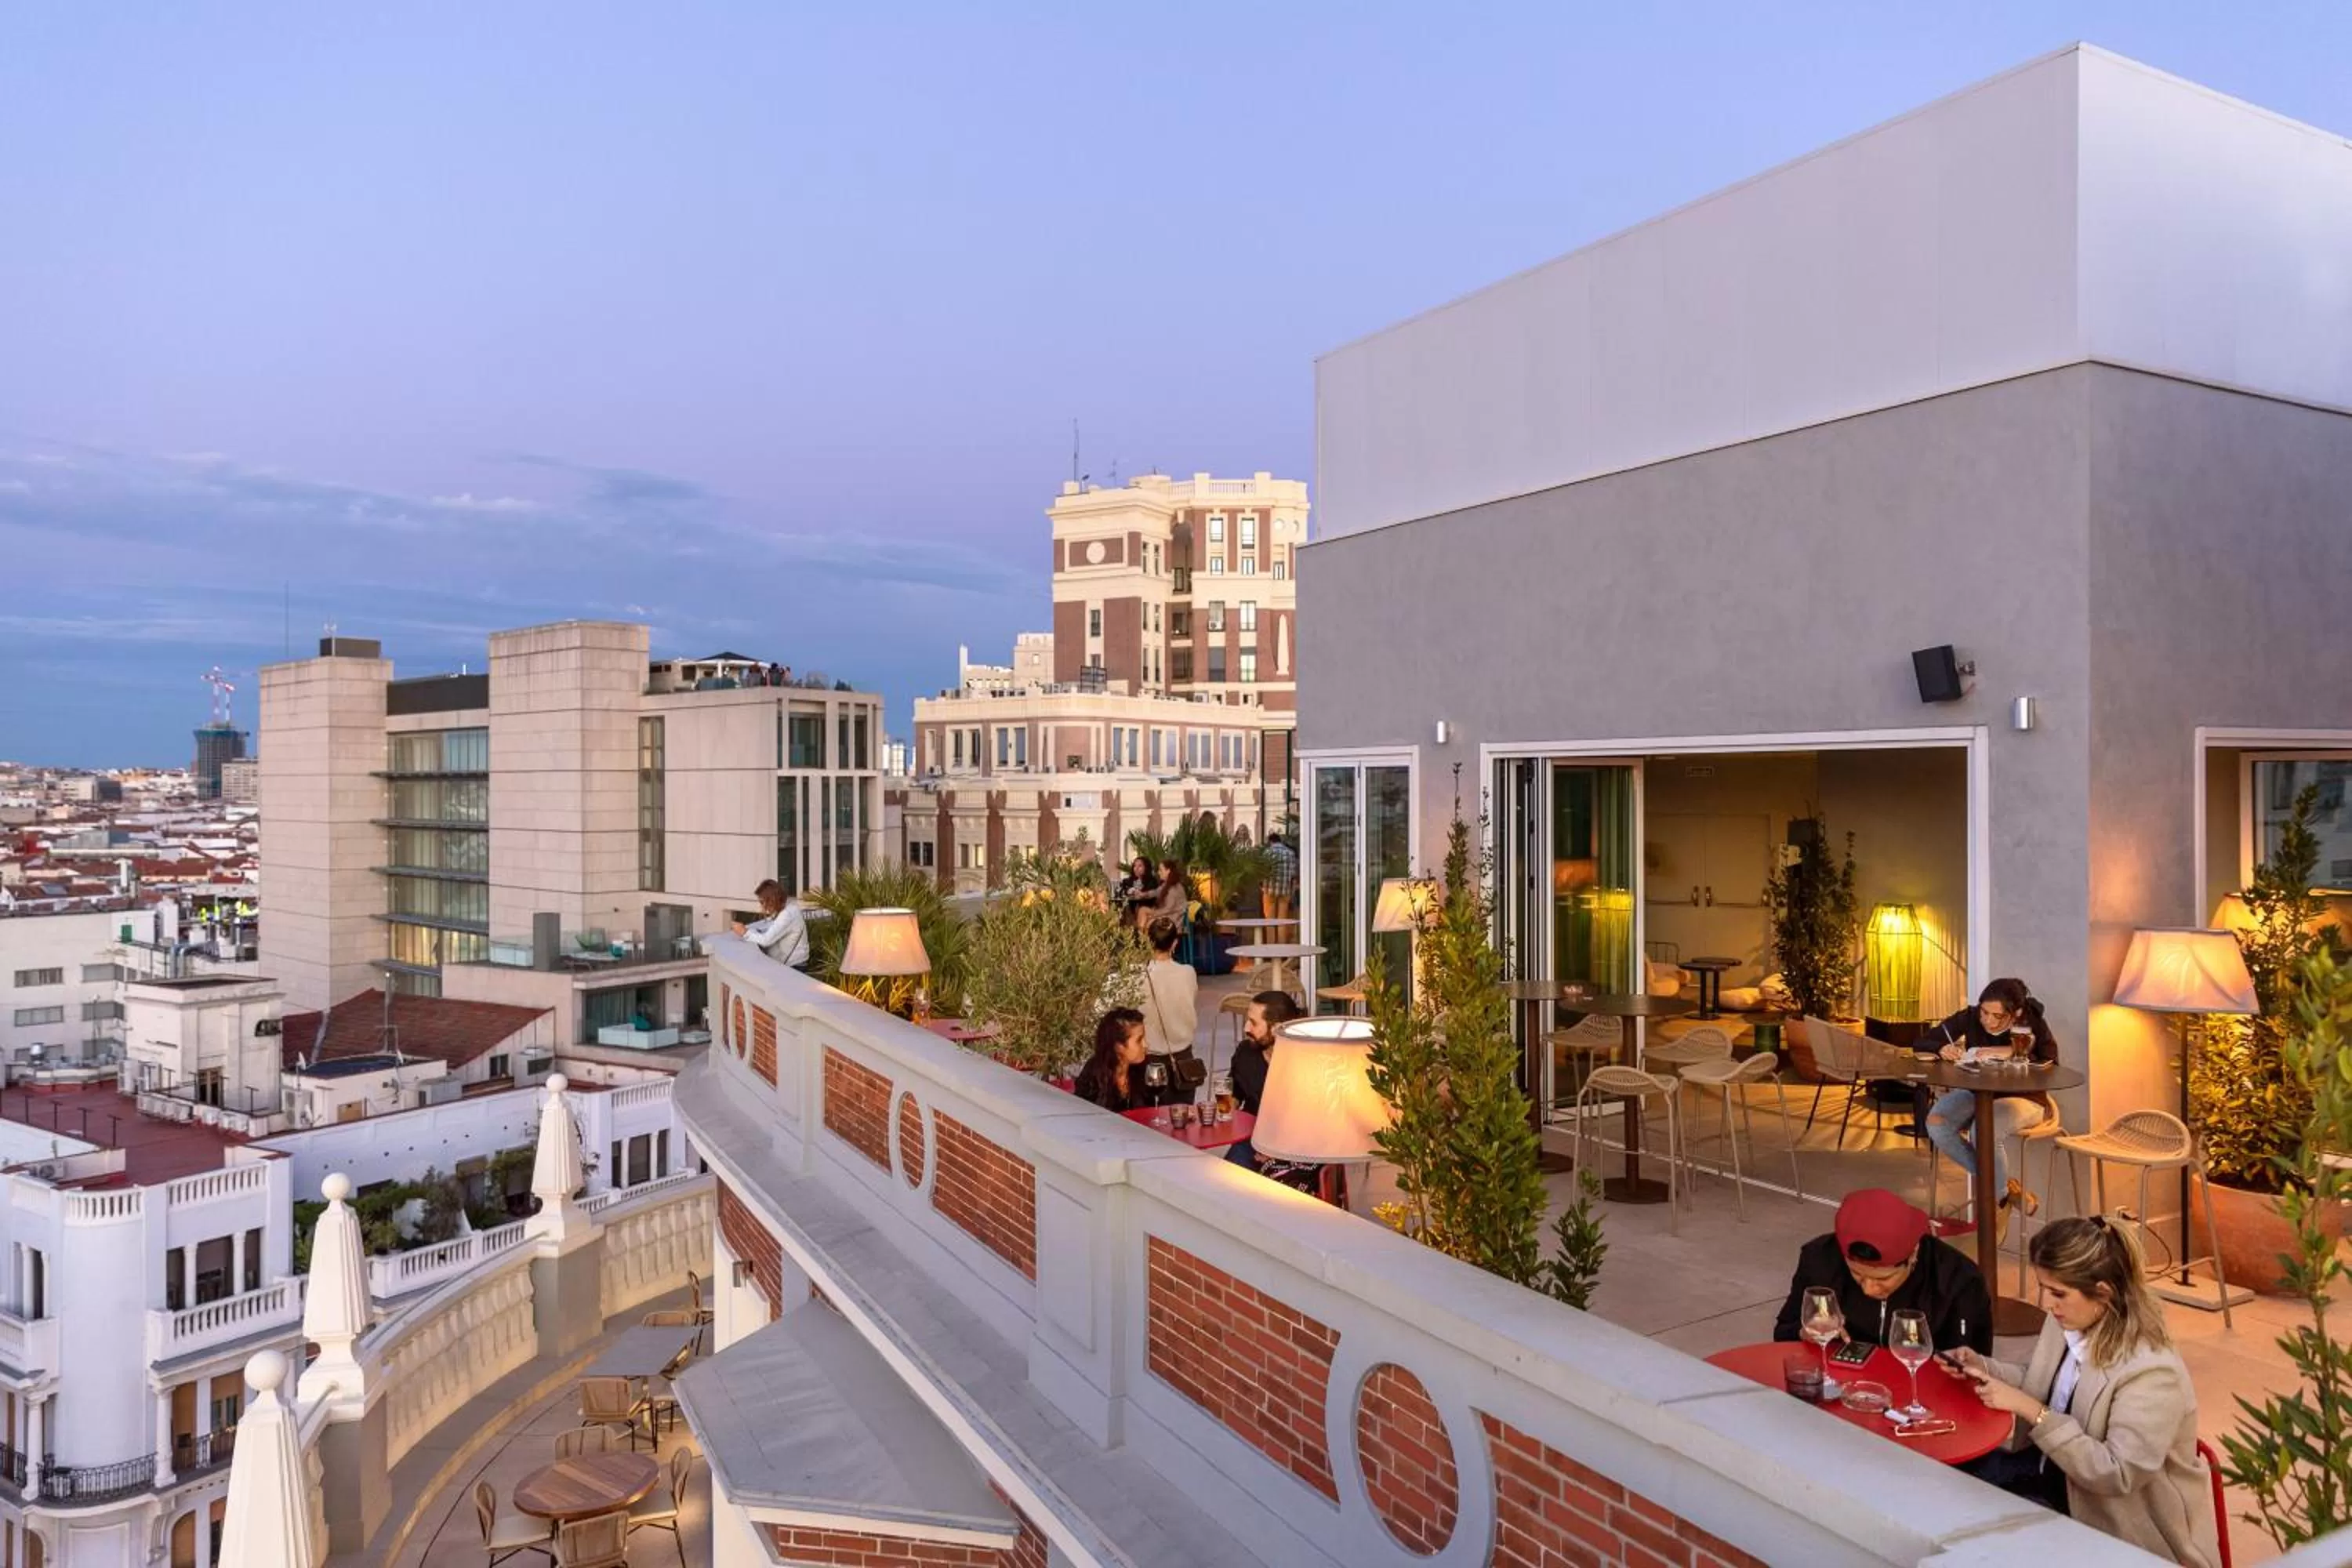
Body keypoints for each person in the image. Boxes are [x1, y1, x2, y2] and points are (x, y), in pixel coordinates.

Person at [1947, 1218, 2218, 1566]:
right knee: (1950, 1489)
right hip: (2054, 1475)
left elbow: (2117, 1474)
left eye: (2057, 1293)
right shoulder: (2071, 1318)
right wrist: (1984, 1368)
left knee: (1985, 1546)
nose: (2047, 1302)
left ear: (2103, 1293)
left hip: (2116, 1521)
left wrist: (2034, 1411)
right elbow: (2042, 1381)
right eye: (2044, 1288)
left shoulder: (2152, 1371)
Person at [1772, 1188, 1991, 1354]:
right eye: (1857, 1275)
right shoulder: (1819, 1259)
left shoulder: (1957, 1281)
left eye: (1883, 1278)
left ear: (1913, 1254)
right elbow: (1783, 1332)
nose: (1868, 1289)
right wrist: (1804, 1333)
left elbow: (1972, 1367)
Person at [1924, 978, 2060, 1220]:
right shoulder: (1972, 1017)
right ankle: (2005, 1191)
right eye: (1984, 1012)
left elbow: (2051, 1064)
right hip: (1978, 1093)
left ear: (2015, 1014)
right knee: (1936, 1122)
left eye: (1996, 1016)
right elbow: (1924, 1040)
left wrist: (2014, 1052)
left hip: (2026, 1098)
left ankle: (1997, 1202)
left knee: (1984, 1129)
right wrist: (1940, 1048)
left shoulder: (2031, 1022)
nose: (1987, 1020)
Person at [1139, 916, 1203, 1091]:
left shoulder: (1136, 977)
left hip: (1147, 1061)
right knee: (1181, 1114)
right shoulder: (1188, 973)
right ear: (1175, 943)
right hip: (1184, 1061)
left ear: (1148, 941)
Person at [1072, 1009, 1156, 1112]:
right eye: (1139, 1040)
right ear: (1118, 1046)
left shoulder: (1144, 1068)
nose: (1146, 1045)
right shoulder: (1094, 1074)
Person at [731, 879, 809, 970]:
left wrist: (744, 932)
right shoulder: (788, 909)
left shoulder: (787, 915)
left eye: (762, 902)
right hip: (794, 964)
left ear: (771, 900)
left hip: (794, 967)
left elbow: (766, 941)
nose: (762, 906)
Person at [1262, 832, 1298, 925]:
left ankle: (1271, 939)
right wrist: (1292, 890)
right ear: (1280, 841)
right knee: (1283, 920)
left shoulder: (1267, 853)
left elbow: (1263, 872)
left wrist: (1262, 887)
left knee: (1269, 920)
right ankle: (1282, 940)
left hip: (1269, 889)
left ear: (1270, 842)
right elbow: (1293, 874)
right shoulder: (1290, 853)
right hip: (1285, 889)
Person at [1115, 855, 1156, 930]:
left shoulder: (1152, 881)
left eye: (1140, 866)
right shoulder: (1128, 881)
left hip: (1145, 906)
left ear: (1146, 868)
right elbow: (1119, 891)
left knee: (1128, 910)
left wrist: (1139, 893)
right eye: (1135, 866)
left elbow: (1150, 895)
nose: (1136, 869)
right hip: (1130, 907)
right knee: (1121, 908)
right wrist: (1128, 891)